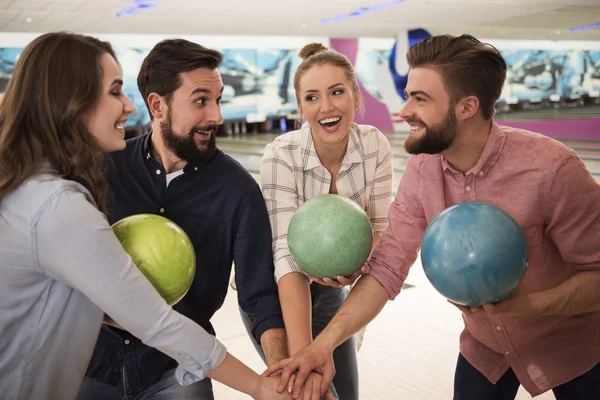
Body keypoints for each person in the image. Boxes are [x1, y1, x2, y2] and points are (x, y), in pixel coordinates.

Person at [266, 34, 600, 400]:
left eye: (419, 99)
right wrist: (321, 346)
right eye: (408, 95)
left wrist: (529, 306)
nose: (404, 110)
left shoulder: (551, 171)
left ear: (466, 106)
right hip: (486, 346)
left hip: (574, 347)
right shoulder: (422, 170)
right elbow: (387, 267)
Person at [0, 32, 291, 400]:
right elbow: (153, 318)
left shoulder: (30, 188)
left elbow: (258, 296)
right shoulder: (68, 197)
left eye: (218, 100)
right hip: (90, 365)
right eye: (115, 91)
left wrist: (279, 373)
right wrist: (259, 388)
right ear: (158, 106)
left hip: (173, 368)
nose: (127, 105)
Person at [244, 43, 393, 400]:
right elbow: (286, 254)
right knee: (304, 391)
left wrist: (356, 263)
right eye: (312, 97)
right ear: (300, 108)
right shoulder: (281, 154)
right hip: (276, 292)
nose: (326, 106)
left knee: (346, 394)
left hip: (330, 291)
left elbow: (379, 232)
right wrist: (303, 358)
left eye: (337, 92)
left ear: (356, 97)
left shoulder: (375, 146)